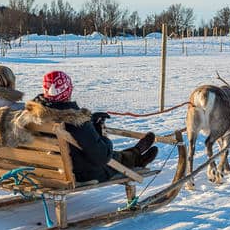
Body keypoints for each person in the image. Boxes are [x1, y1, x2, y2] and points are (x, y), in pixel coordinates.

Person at [30, 70, 158, 183]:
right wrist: (101, 135)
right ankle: (136, 158)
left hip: (46, 168)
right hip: (80, 174)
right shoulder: (76, 121)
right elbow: (102, 157)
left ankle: (135, 153)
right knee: (110, 156)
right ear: (68, 90)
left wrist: (90, 123)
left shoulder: (33, 115)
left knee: (102, 151)